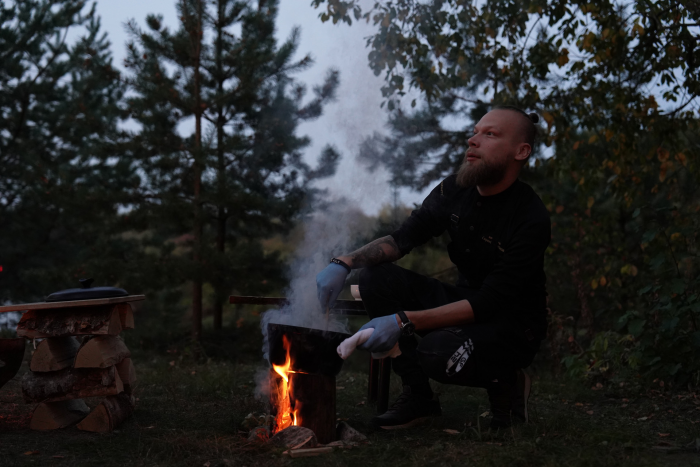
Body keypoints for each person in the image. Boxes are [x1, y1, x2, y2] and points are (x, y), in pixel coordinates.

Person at [316, 106, 550, 430]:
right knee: (375, 278)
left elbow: (490, 303)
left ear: (520, 151)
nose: (472, 140)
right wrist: (344, 262)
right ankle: (419, 397)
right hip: (464, 298)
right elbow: (402, 239)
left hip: (511, 324)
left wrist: (403, 320)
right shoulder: (454, 189)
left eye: (490, 134)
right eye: (475, 131)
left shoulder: (530, 217)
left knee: (437, 352)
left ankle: (506, 381)